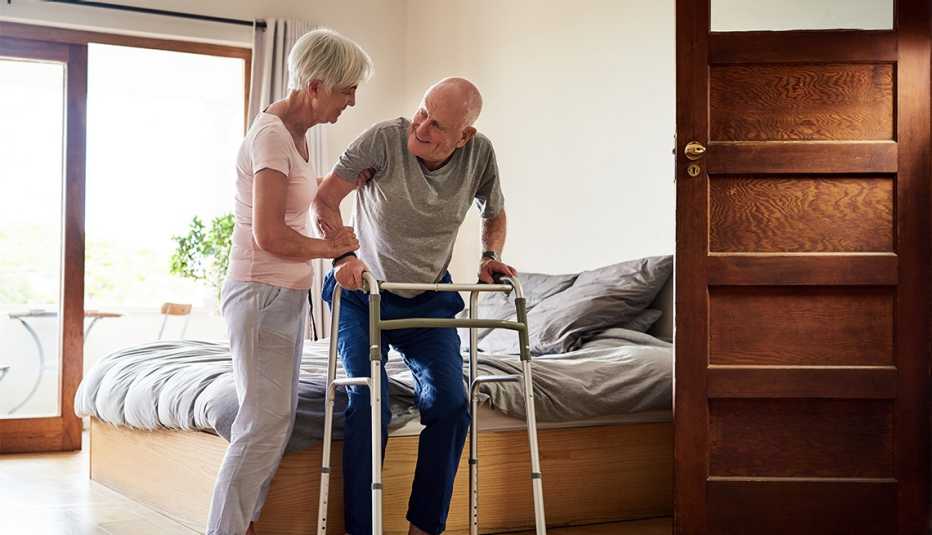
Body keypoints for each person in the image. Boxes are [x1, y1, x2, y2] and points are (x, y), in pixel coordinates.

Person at [313, 77, 518, 535]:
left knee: (450, 404)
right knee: (370, 401)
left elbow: (495, 211)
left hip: (429, 296)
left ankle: (424, 528)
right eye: (422, 111)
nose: (422, 127)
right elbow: (324, 200)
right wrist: (344, 254)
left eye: (438, 124)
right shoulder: (385, 139)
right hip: (362, 295)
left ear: (464, 136)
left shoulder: (479, 154)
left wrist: (490, 257)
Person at [206, 28, 372, 535]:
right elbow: (271, 234)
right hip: (261, 291)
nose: (352, 100)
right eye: (347, 90)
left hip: (283, 293)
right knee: (261, 427)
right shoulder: (272, 135)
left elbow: (294, 211)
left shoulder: (295, 137)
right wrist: (336, 248)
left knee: (271, 426)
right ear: (317, 85)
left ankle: (245, 525)